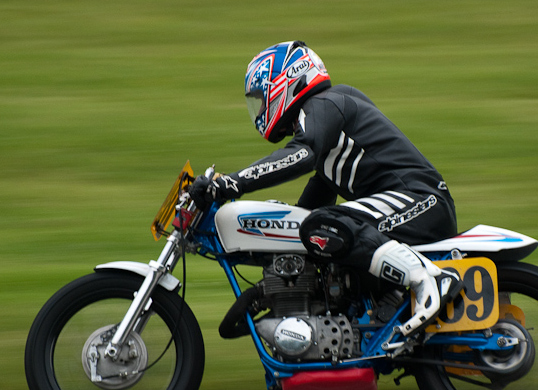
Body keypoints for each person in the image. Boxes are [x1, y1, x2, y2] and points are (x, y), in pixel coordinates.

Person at [190, 41, 462, 336]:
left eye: (261, 97)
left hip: (421, 202)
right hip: (413, 205)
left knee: (322, 225)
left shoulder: (323, 104)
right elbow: (307, 212)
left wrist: (231, 183)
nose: (259, 107)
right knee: (316, 230)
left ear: (287, 81)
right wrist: (261, 293)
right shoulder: (326, 122)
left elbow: (300, 155)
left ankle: (428, 279)